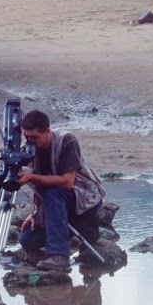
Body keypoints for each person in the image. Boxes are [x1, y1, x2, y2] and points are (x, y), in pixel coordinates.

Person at [17, 110, 105, 273]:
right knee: (28, 239)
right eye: (27, 137)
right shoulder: (28, 149)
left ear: (47, 131)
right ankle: (76, 230)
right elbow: (39, 186)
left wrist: (31, 177)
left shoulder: (66, 140)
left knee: (54, 192)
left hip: (83, 197)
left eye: (35, 137)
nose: (30, 142)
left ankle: (59, 255)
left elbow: (67, 182)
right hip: (55, 205)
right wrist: (35, 213)